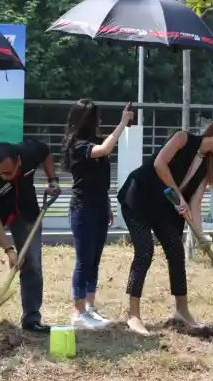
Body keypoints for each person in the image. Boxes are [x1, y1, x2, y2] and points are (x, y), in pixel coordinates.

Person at [117, 117, 213, 335]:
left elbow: (195, 202)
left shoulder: (207, 165)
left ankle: (182, 312)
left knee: (176, 252)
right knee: (144, 252)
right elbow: (159, 163)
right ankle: (134, 315)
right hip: (139, 197)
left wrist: (201, 236)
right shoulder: (182, 138)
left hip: (166, 207)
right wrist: (177, 194)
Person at [0, 139, 61, 333]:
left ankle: (31, 318)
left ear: (19, 161)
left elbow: (45, 152)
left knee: (32, 261)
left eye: (9, 172)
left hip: (25, 211)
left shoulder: (30, 152)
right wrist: (9, 250)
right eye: (0, 173)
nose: (5, 177)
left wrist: (53, 180)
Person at [61, 99, 134, 329]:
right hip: (82, 208)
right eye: (96, 118)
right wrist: (122, 123)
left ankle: (90, 307)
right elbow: (106, 149)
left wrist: (108, 205)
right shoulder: (78, 145)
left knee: (94, 260)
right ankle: (78, 311)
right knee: (83, 261)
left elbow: (99, 180)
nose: (100, 122)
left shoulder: (91, 143)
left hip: (100, 207)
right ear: (86, 120)